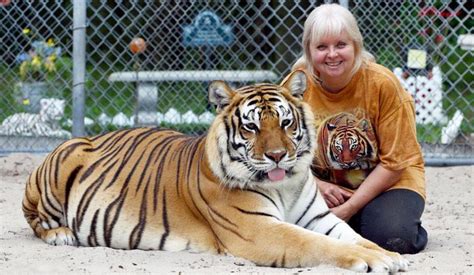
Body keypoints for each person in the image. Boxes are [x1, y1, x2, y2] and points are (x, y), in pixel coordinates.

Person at [290, 3, 428, 254]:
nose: (332, 54)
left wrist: (349, 208)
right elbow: (283, 149)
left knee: (394, 238)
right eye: (322, 47)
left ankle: (377, 218)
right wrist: (315, 184)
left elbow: (394, 164)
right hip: (322, 185)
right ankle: (357, 221)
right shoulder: (297, 84)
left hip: (388, 184)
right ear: (309, 51)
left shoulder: (382, 84)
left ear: (356, 45)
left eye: (341, 45)